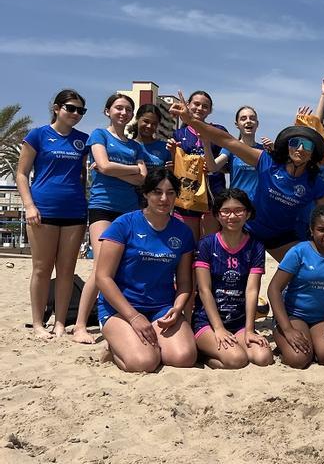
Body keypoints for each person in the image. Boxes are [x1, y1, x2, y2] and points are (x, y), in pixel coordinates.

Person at [169, 92, 324, 261]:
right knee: (231, 273)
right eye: (296, 142)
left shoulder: (313, 181)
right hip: (248, 230)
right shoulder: (267, 161)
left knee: (309, 269)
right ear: (288, 146)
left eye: (307, 146)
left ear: (312, 154)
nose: (301, 149)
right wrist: (192, 121)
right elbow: (227, 140)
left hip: (281, 237)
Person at [95, 169, 197, 372]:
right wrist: (133, 317)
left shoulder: (183, 231)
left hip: (161, 308)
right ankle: (115, 345)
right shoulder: (124, 224)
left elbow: (185, 283)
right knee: (144, 362)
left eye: (170, 193)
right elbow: (102, 277)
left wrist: (177, 309)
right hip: (121, 309)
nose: (163, 198)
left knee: (183, 357)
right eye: (157, 192)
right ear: (145, 194)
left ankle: (142, 343)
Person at [74, 93, 148, 344]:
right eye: (119, 108)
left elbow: (142, 178)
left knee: (124, 267)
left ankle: (115, 313)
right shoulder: (99, 135)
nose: (123, 113)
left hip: (128, 209)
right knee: (100, 267)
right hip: (102, 206)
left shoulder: (135, 145)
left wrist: (113, 170)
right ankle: (81, 325)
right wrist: (128, 170)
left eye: (128, 109)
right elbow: (104, 166)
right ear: (108, 111)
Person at [16, 89, 90, 339]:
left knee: (67, 269)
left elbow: (83, 178)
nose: (75, 114)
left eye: (81, 110)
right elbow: (22, 173)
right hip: (42, 210)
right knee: (41, 268)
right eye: (71, 108)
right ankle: (38, 323)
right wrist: (29, 206)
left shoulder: (83, 139)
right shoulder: (38, 135)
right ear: (57, 108)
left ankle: (60, 322)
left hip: (75, 211)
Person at [192, 189, 273, 369]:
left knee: (263, 357)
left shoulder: (255, 246)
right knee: (237, 360)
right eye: (225, 211)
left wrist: (250, 329)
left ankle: (227, 346)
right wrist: (219, 328)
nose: (232, 216)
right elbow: (204, 290)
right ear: (217, 216)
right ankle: (204, 355)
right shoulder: (206, 244)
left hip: (239, 321)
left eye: (238, 210)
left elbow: (252, 290)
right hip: (208, 321)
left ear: (248, 214)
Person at [268, 205, 324, 368]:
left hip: (322, 319)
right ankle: (284, 342)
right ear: (311, 230)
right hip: (293, 316)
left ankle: (314, 343)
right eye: (321, 229)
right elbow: (274, 289)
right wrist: (288, 329)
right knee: (299, 359)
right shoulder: (299, 252)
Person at [170, 90, 228, 241]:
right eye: (196, 104)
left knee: (208, 244)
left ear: (210, 110)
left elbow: (226, 158)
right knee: (188, 243)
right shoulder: (178, 133)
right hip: (188, 194)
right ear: (188, 105)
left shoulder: (218, 130)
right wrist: (171, 151)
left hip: (213, 193)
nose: (200, 108)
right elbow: (178, 167)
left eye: (205, 106)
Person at [205, 106, 264, 201]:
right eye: (243, 118)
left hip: (259, 203)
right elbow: (213, 167)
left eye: (252, 118)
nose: (248, 121)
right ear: (237, 124)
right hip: (237, 203)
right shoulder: (231, 148)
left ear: (257, 124)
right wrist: (206, 144)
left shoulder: (264, 151)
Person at [129, 103, 171, 169]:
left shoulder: (165, 148)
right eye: (146, 121)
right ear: (137, 118)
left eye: (154, 123)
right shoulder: (127, 145)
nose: (149, 126)